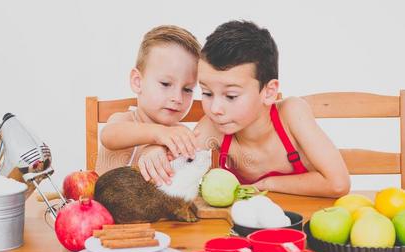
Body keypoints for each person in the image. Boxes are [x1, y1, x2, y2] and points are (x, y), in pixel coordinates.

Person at [141, 20, 350, 198]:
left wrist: (267, 185)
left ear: (268, 92)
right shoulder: (212, 129)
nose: (215, 109)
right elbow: (174, 166)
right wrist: (155, 148)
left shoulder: (291, 114)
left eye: (231, 96)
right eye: (206, 93)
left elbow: (338, 183)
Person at [95, 25, 202, 186]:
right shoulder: (125, 120)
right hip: (103, 210)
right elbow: (108, 136)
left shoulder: (181, 135)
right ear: (138, 82)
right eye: (166, 84)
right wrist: (158, 134)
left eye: (187, 89)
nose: (177, 98)